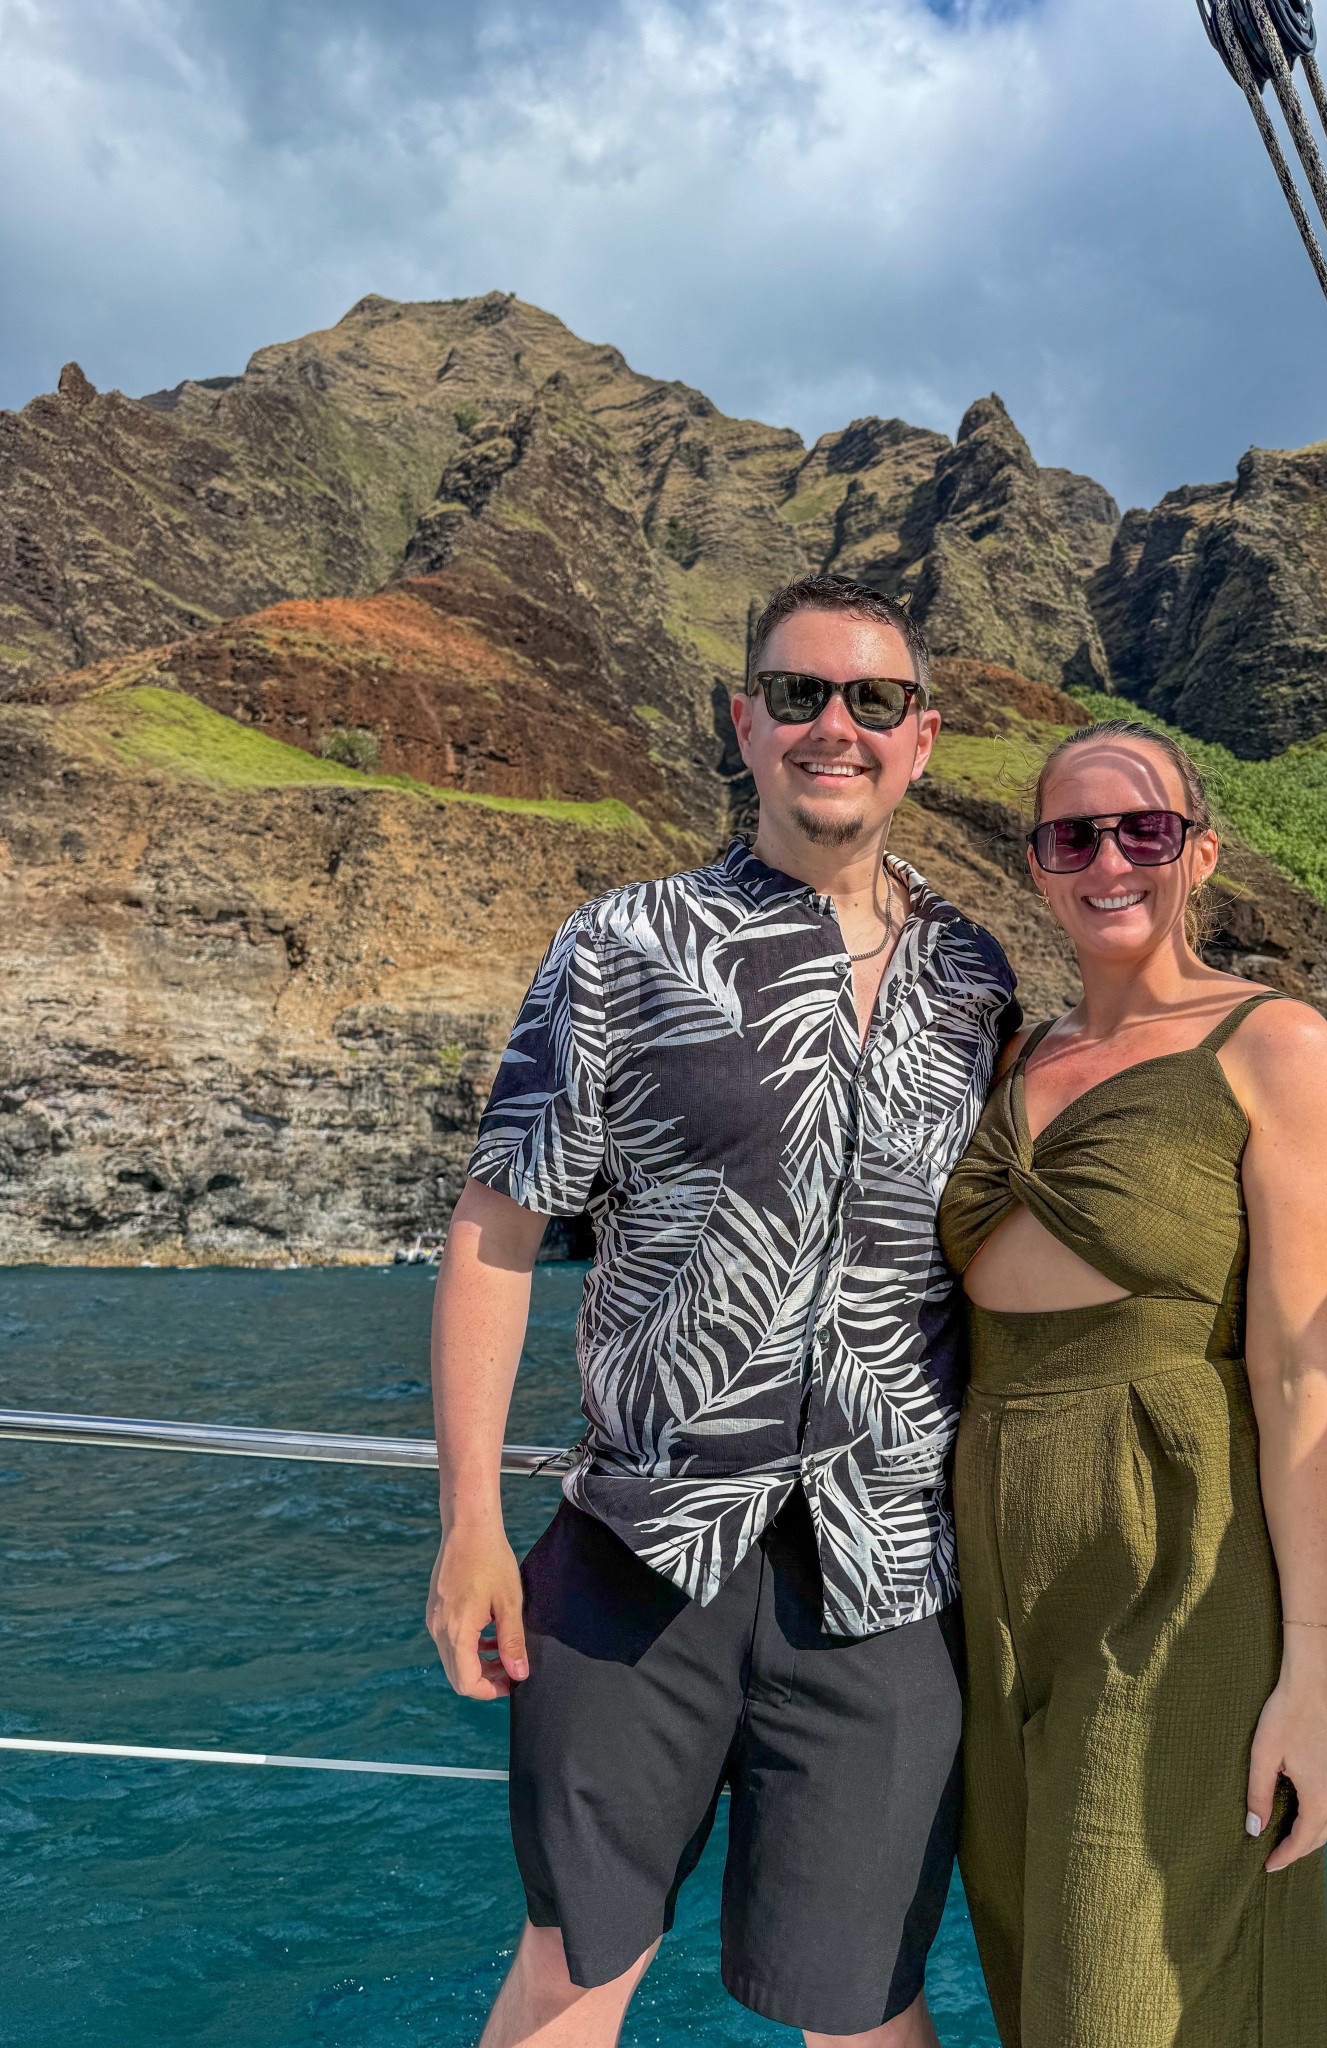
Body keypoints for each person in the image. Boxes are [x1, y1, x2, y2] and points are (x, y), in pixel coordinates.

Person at [426, 574, 1021, 2048]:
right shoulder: (624, 948)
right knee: (576, 1970)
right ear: (744, 723)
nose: (838, 726)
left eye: (873, 701)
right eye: (801, 695)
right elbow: (499, 1228)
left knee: (868, 2008)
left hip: (889, 1573)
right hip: (640, 1548)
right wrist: (467, 1525)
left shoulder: (975, 981)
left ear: (922, 738)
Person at [938, 718, 1327, 2048]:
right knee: (1032, 1968)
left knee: (1134, 1991)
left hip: (1172, 1560)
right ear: (1040, 866)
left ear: (1200, 853)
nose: (1110, 859)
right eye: (1075, 836)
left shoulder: (1270, 1043)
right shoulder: (1012, 1054)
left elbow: (1299, 1367)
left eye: (1145, 831)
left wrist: (1317, 1675)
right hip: (990, 1567)